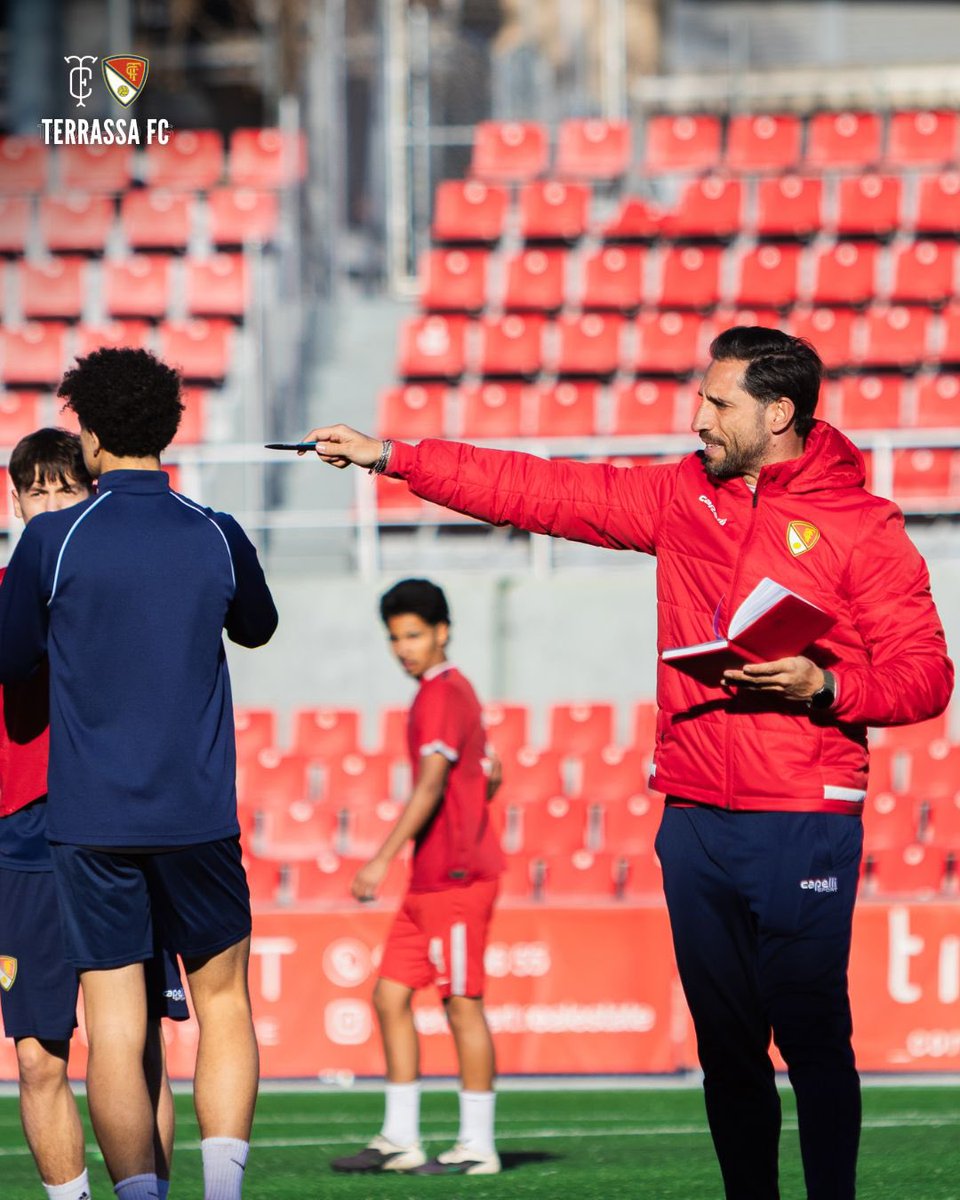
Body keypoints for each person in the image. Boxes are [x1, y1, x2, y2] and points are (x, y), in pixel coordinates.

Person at [303, 325, 954, 1200]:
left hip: (802, 815)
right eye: (701, 398)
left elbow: (926, 676)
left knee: (811, 1041)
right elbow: (542, 489)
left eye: (719, 403)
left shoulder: (861, 528)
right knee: (725, 1050)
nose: (698, 418)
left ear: (779, 413)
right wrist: (394, 457)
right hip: (690, 818)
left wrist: (824, 684)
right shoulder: (681, 498)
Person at [0, 350, 279, 1200]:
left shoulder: (54, 537)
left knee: (118, 1030)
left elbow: (13, 662)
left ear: (86, 432)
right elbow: (258, 628)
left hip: (89, 824)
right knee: (223, 1003)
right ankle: (223, 1193)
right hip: (198, 813)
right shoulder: (216, 531)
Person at [0, 428, 190, 1200]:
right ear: (14, 502)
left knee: (139, 1050)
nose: (46, 502)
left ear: (90, 493)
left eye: (61, 487)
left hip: (120, 825)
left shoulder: (125, 586)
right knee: (39, 1057)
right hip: (25, 839)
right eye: (32, 490)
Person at [332, 578, 504, 1177]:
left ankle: (477, 1146)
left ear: (442, 632)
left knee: (461, 1005)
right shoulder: (450, 692)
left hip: (455, 880)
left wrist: (380, 858)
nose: (403, 647)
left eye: (413, 634)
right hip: (429, 880)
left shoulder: (440, 693)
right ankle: (401, 1138)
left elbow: (433, 783)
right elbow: (489, 772)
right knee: (389, 995)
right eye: (395, 637)